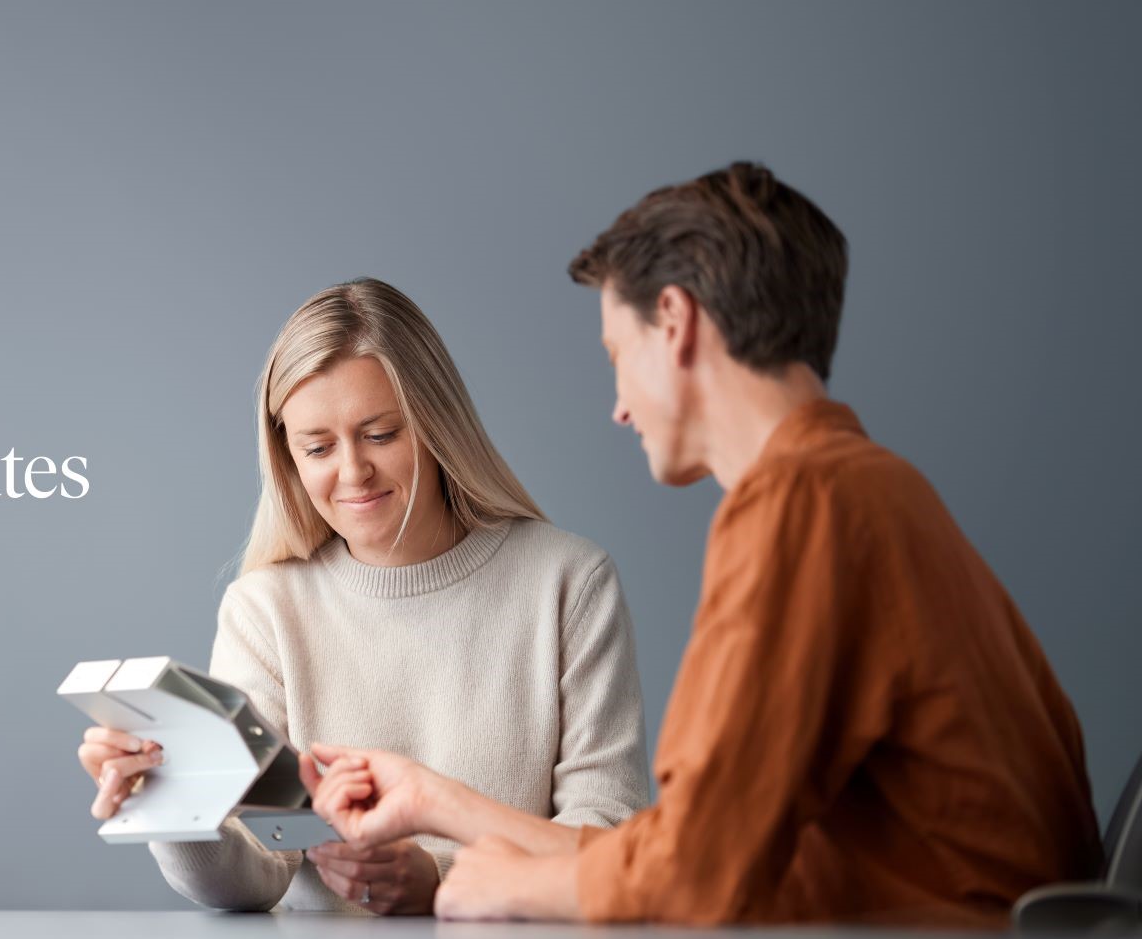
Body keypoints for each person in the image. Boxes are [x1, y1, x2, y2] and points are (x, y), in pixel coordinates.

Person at [299, 163, 1104, 926]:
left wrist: (516, 884)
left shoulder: (801, 504)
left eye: (619, 355)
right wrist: (437, 802)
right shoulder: (871, 488)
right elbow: (692, 847)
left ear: (676, 323)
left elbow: (692, 873)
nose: (619, 407)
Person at [74, 278, 651, 914]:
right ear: (288, 458)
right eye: (317, 447)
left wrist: (439, 877)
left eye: (380, 434)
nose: (352, 472)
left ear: (435, 425)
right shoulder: (266, 610)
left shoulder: (567, 580)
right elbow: (254, 874)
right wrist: (173, 802)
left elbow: (610, 841)